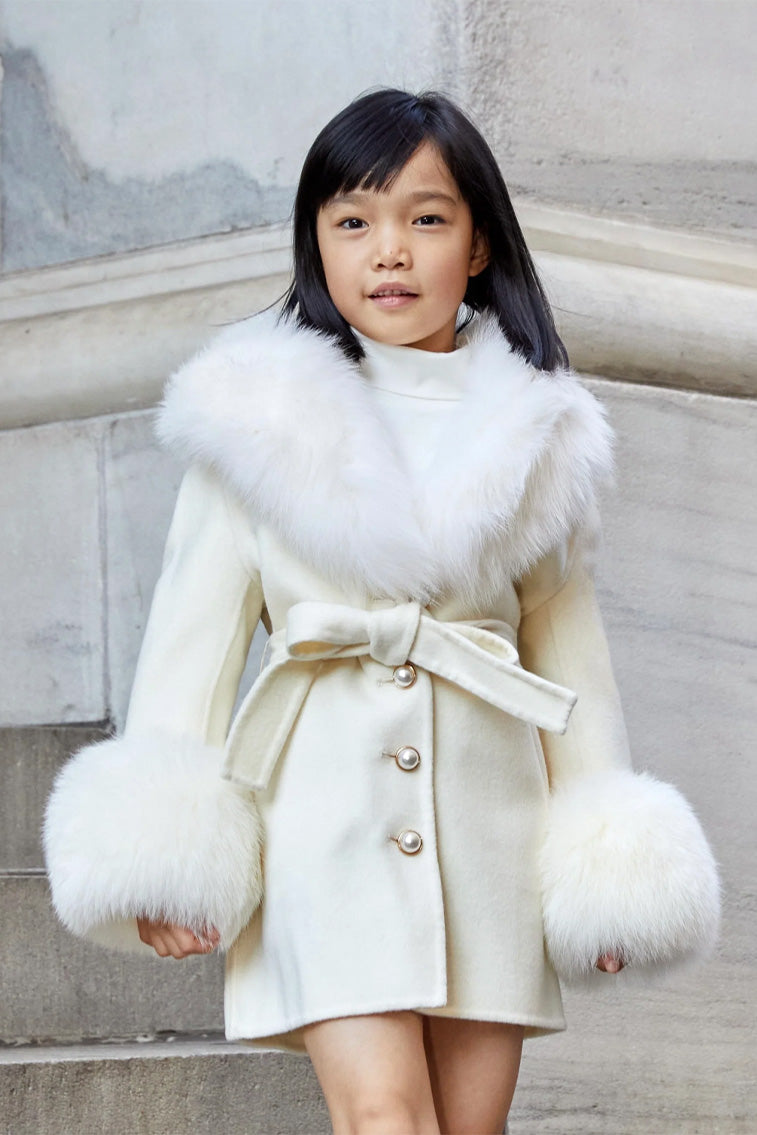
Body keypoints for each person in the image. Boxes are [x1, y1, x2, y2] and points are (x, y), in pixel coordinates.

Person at [43, 89, 720, 1134]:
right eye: (353, 220)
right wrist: (162, 855)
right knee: (383, 1118)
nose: (388, 250)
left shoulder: (542, 436)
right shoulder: (252, 421)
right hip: (322, 830)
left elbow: (573, 668)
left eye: (425, 218)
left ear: (478, 243)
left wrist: (610, 871)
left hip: (490, 841)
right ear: (316, 242)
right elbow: (188, 649)